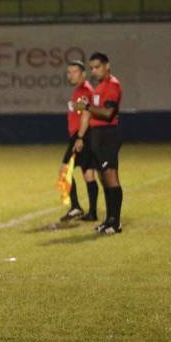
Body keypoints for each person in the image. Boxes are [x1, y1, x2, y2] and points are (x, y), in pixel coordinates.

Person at [74, 52, 123, 235]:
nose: (94, 71)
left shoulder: (112, 85)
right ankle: (109, 220)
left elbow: (108, 113)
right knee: (104, 180)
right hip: (97, 135)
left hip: (108, 135)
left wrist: (87, 107)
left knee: (111, 177)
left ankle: (115, 222)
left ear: (107, 65)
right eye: (92, 68)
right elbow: (96, 110)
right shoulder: (100, 87)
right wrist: (87, 104)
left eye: (98, 67)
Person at [59, 60, 98, 222]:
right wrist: (74, 106)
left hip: (81, 135)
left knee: (64, 171)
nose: (71, 75)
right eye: (69, 72)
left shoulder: (85, 89)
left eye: (74, 72)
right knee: (88, 173)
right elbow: (80, 107)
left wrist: (80, 137)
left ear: (83, 74)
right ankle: (92, 212)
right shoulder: (83, 89)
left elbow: (85, 111)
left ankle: (76, 207)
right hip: (85, 135)